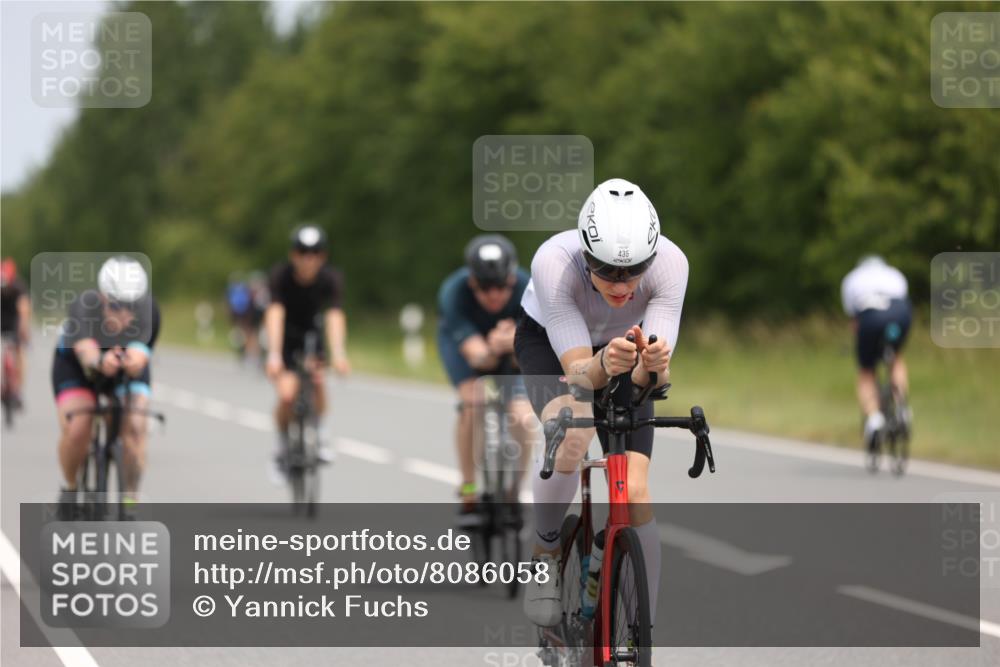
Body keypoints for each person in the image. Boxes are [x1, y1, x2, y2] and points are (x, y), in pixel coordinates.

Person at [514, 178, 688, 630]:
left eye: (633, 272)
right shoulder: (554, 262)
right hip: (553, 343)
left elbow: (656, 381)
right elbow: (578, 374)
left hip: (623, 348)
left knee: (633, 487)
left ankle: (642, 628)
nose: (622, 284)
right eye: (608, 271)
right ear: (587, 255)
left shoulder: (671, 265)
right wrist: (605, 363)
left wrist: (652, 365)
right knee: (572, 431)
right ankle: (546, 549)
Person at [437, 234, 534, 525]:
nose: (494, 295)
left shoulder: (528, 288)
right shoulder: (453, 292)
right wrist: (495, 346)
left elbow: (533, 354)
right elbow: (478, 358)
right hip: (468, 349)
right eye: (485, 288)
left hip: (513, 347)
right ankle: (468, 488)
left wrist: (514, 343)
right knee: (472, 401)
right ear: (472, 283)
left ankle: (514, 490)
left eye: (502, 287)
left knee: (521, 415)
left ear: (512, 279)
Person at [52, 256, 158, 508]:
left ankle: (130, 499)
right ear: (102, 297)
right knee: (78, 428)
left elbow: (141, 354)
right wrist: (100, 361)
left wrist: (133, 360)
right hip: (77, 366)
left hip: (123, 366)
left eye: (133, 305)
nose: (125, 314)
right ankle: (70, 487)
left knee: (135, 427)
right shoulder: (83, 306)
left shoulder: (150, 310)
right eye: (117, 305)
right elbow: (86, 352)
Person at [264, 225, 350, 480]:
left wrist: (339, 353)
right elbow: (275, 314)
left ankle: (321, 434)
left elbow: (334, 316)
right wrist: (274, 355)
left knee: (317, 379)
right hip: (286, 338)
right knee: (287, 394)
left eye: (314, 253)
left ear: (323, 256)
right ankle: (281, 448)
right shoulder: (280, 276)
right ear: (293, 255)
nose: (308, 259)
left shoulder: (331, 278)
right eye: (302, 252)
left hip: (313, 335)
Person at [840, 255, 912, 449]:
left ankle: (874, 419)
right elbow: (904, 299)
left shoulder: (852, 278)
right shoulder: (894, 274)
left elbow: (855, 320)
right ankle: (902, 407)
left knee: (866, 371)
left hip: (870, 316)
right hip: (899, 314)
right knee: (896, 358)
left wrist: (863, 345)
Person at [1, 258, 31, 407]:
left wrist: (24, 331)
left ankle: (18, 389)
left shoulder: (19, 286)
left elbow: (24, 310)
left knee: (20, 352)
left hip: (14, 321)